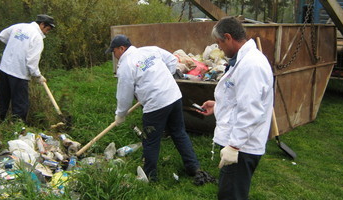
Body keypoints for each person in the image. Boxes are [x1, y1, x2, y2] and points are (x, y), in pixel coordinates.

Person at [105, 35, 213, 183]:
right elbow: (172, 60)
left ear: (121, 48)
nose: (114, 55)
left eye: (114, 51)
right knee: (179, 133)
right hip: (174, 96)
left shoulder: (126, 65)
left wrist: (120, 114)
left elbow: (124, 95)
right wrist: (163, 79)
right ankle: (193, 168)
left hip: (155, 105)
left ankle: (149, 176)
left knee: (150, 140)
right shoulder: (150, 50)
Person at [196, 17, 274, 199]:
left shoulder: (251, 65)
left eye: (219, 43)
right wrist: (218, 106)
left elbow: (251, 111)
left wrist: (233, 146)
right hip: (239, 143)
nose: (220, 48)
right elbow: (240, 98)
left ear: (228, 37)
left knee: (231, 195)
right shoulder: (242, 60)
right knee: (229, 192)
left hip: (242, 148)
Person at [0, 14, 55, 122]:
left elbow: (2, 36)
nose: (46, 32)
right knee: (20, 103)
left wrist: (16, 45)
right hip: (19, 74)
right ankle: (18, 127)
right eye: (47, 29)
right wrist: (38, 76)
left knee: (1, 98)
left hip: (4, 68)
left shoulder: (19, 26)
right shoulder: (37, 38)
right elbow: (31, 62)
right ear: (42, 24)